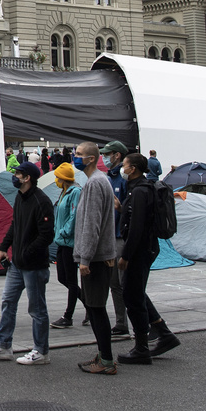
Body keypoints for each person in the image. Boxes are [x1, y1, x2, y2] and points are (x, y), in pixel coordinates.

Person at [0, 162, 53, 364]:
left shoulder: (41, 201)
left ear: (27, 177)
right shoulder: (20, 198)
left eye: (18, 174)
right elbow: (15, 224)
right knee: (8, 301)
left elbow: (47, 235)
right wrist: (4, 247)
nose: (14, 177)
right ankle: (3, 345)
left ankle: (41, 351)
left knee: (37, 309)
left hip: (34, 265)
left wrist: (27, 253)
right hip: (17, 264)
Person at [117, 152, 181, 364]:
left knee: (132, 296)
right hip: (146, 248)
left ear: (132, 168)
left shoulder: (140, 191)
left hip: (140, 249)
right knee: (136, 292)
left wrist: (126, 255)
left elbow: (137, 227)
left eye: (124, 165)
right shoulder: (140, 189)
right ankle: (163, 334)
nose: (122, 168)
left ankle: (142, 347)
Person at [73, 141, 119, 374]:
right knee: (95, 307)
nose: (75, 157)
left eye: (80, 154)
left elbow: (92, 225)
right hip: (101, 256)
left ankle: (107, 361)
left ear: (91, 159)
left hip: (96, 259)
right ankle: (103, 354)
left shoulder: (94, 183)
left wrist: (85, 259)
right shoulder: (102, 180)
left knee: (95, 308)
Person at [99, 140, 131, 339]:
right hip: (110, 236)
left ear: (117, 155)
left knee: (121, 283)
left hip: (120, 237)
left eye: (108, 154)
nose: (105, 157)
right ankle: (121, 323)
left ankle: (127, 323)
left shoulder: (124, 179)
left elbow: (130, 208)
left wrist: (121, 209)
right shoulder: (108, 178)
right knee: (113, 283)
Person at [50, 162, 82, 330]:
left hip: (69, 241)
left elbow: (74, 215)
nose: (56, 180)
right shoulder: (63, 192)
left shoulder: (74, 192)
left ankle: (68, 316)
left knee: (70, 280)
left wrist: (64, 232)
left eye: (57, 177)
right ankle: (89, 304)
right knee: (62, 277)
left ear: (63, 178)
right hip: (61, 241)